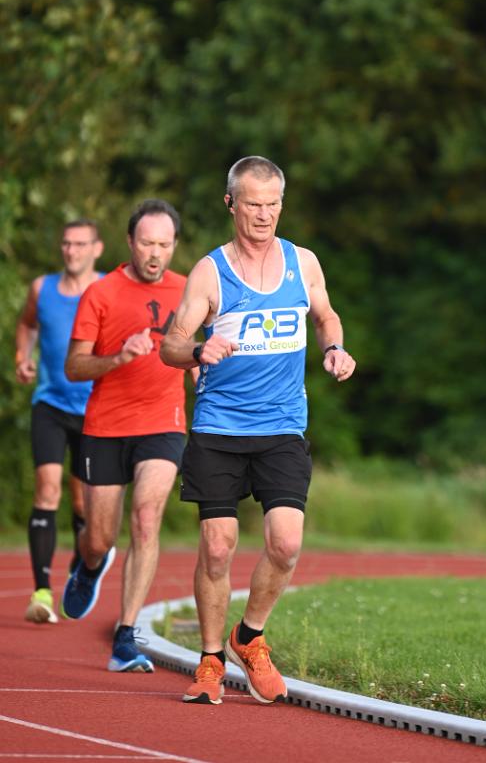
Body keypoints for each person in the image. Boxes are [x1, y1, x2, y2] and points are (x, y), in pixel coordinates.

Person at [160, 156, 356, 706]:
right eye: (253, 204)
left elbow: (326, 316)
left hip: (282, 425)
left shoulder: (303, 262)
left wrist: (335, 349)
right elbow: (171, 345)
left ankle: (248, 637)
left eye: (273, 205)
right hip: (219, 427)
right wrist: (198, 350)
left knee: (286, 542)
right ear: (231, 204)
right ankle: (209, 660)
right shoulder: (210, 272)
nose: (265, 215)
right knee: (217, 547)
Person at [61, 198, 191, 673]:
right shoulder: (101, 293)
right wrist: (118, 357)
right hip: (106, 426)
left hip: (164, 422)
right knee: (98, 538)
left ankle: (125, 636)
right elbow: (74, 367)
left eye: (165, 244)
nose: (156, 254)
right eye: (147, 243)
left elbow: (196, 353)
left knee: (147, 516)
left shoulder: (189, 289)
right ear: (130, 242)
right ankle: (90, 564)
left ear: (174, 245)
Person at [16, 220, 104, 625]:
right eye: (67, 244)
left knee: (83, 501)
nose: (72, 251)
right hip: (50, 404)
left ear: (96, 248)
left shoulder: (107, 288)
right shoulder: (42, 288)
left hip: (94, 408)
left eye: (80, 244)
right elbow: (27, 324)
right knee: (47, 489)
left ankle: (79, 571)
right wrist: (23, 357)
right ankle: (41, 592)